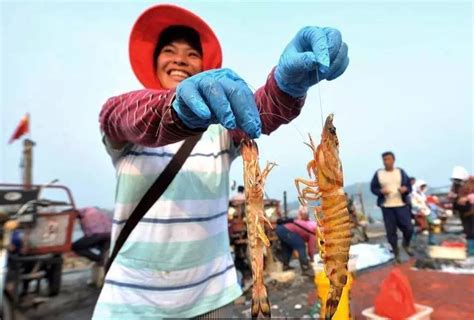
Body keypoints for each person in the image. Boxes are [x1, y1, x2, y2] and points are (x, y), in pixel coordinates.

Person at [93, 4, 349, 319]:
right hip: (130, 301)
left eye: (191, 54)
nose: (179, 60)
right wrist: (175, 108)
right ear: (155, 60)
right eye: (169, 51)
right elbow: (117, 115)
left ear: (203, 66)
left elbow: (258, 113)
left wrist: (286, 86)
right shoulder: (129, 124)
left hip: (213, 297)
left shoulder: (220, 131)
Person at [370, 151, 413, 263]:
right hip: (387, 207)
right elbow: (373, 188)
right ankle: (396, 252)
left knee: (409, 228)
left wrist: (406, 189)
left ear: (393, 160)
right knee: (391, 232)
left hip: (401, 205)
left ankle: (406, 243)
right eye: (384, 160)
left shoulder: (400, 172)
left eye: (388, 159)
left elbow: (409, 186)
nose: (386, 162)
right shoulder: (379, 174)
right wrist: (380, 191)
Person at [453, 175, 474, 256]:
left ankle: (471, 251)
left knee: (470, 231)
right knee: (470, 231)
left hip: (467, 211)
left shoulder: (463, 188)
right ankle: (471, 251)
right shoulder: (463, 188)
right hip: (468, 212)